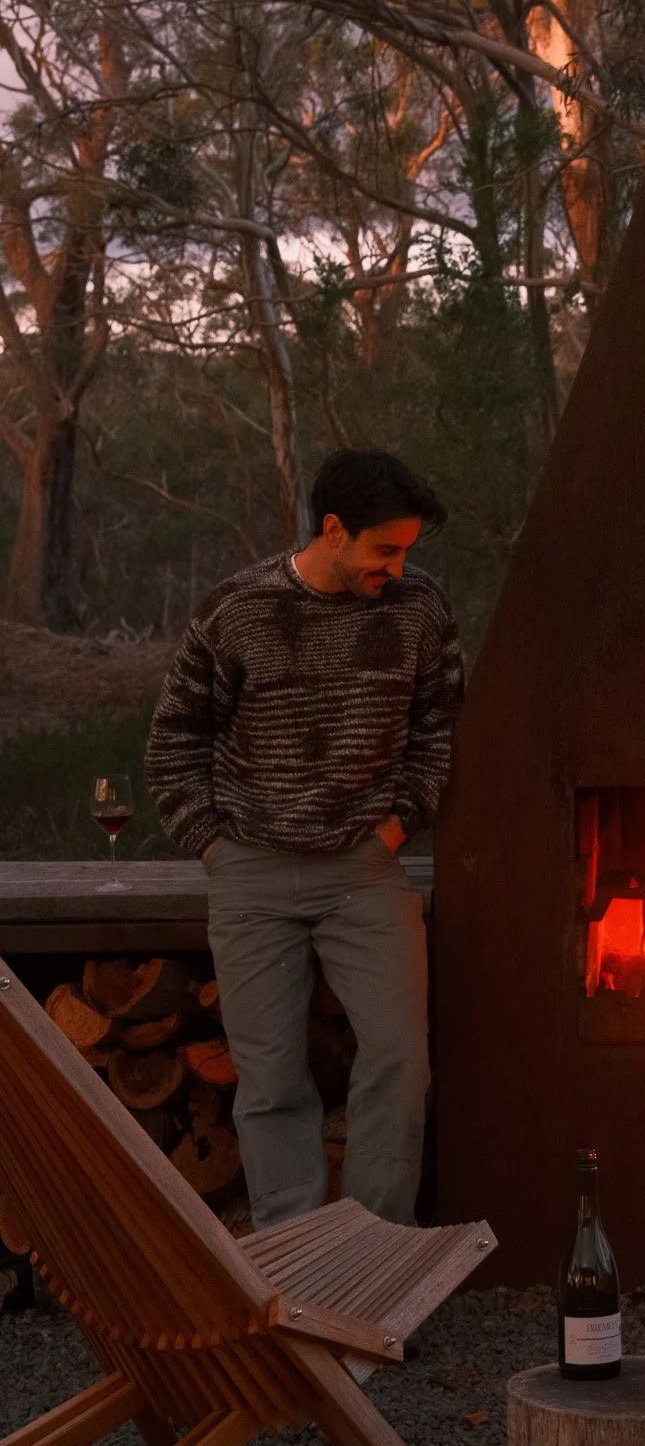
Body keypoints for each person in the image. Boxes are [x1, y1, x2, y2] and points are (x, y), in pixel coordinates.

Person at [144, 448, 464, 1231]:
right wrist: (214, 846)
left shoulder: (419, 610)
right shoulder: (239, 610)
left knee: (398, 1064)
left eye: (407, 550)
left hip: (363, 869)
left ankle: (376, 1261)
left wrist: (394, 828)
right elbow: (173, 742)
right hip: (251, 869)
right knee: (270, 1079)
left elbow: (438, 732)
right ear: (332, 530)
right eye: (384, 549)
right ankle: (296, 1266)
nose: (398, 565)